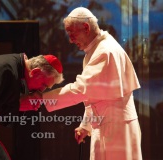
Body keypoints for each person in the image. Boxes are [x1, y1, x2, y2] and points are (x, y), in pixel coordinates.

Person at [41, 7, 142, 160]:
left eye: (72, 34)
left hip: (116, 131)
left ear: (86, 28)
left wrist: (42, 99)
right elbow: (95, 97)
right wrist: (85, 126)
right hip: (108, 127)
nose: (70, 40)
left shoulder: (105, 51)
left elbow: (81, 90)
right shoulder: (96, 49)